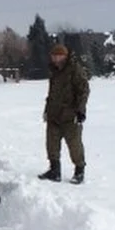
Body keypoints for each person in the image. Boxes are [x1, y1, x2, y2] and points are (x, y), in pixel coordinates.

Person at [40, 43, 90, 183]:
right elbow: (52, 94)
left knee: (74, 145)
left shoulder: (75, 70)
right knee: (51, 144)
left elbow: (83, 91)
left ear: (65, 56)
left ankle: (79, 171)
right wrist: (47, 110)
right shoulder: (54, 71)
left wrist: (80, 110)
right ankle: (54, 170)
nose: (56, 58)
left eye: (59, 55)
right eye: (54, 55)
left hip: (71, 115)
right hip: (54, 114)